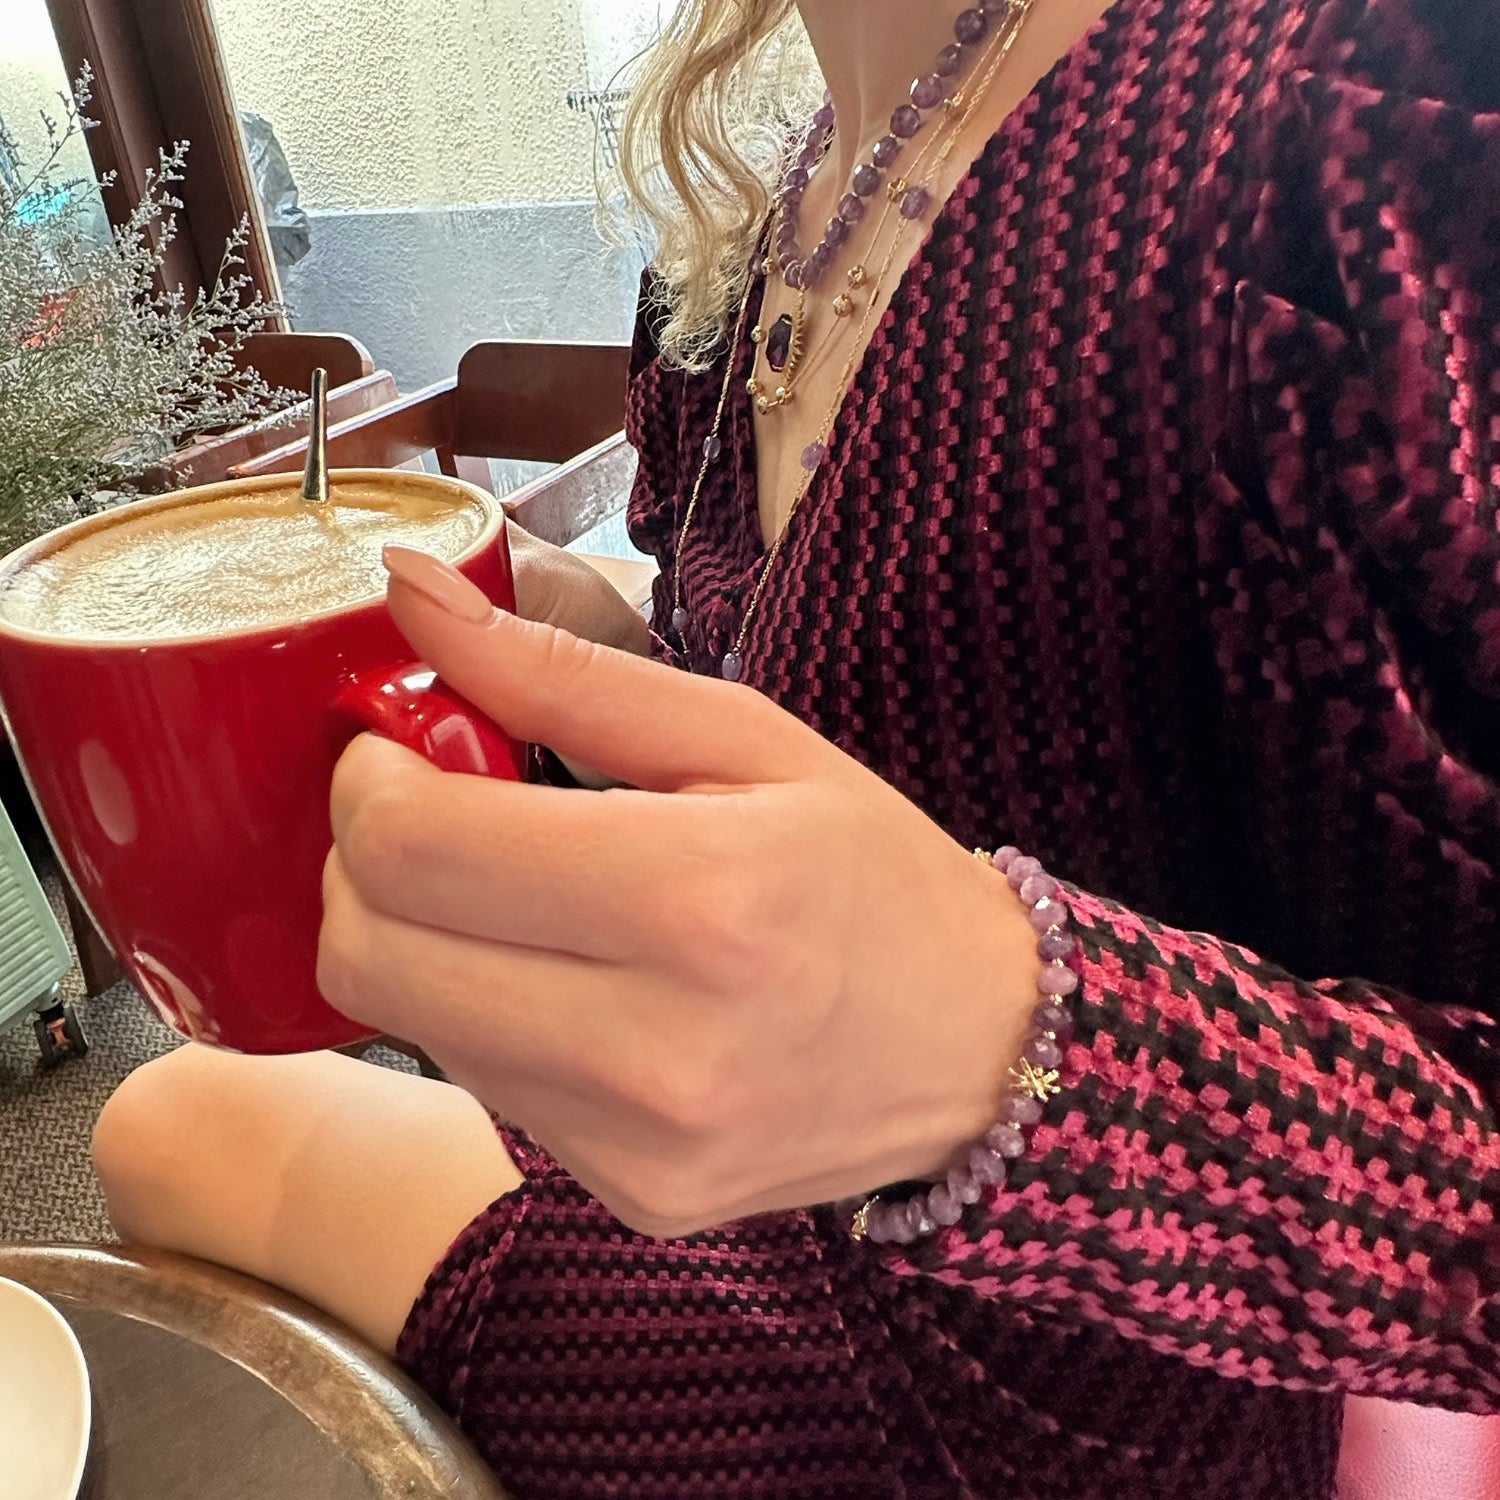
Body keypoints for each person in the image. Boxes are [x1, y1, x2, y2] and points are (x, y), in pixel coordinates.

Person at [91, 0, 1499, 1494]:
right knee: (166, 1117)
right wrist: (595, 643)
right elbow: (857, 722)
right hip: (750, 1199)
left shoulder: (1364, 119)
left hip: (1080, 1409)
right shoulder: (785, 206)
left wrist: (1023, 1053)